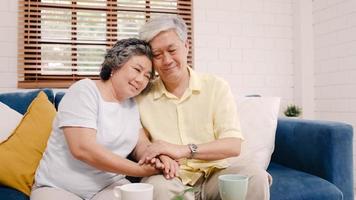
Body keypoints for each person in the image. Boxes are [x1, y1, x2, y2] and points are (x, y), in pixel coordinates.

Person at [136, 16, 271, 200]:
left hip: (216, 173)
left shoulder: (216, 86)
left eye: (172, 49)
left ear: (186, 46)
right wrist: (158, 158)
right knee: (157, 187)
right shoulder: (141, 95)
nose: (166, 60)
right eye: (157, 55)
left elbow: (232, 145)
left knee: (255, 178)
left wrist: (182, 150)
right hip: (170, 177)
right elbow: (141, 144)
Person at [31, 38, 172, 200]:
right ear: (115, 66)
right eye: (136, 69)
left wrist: (159, 158)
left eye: (147, 76)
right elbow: (83, 149)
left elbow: (141, 145)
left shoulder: (131, 104)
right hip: (58, 188)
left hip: (107, 187)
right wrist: (139, 170)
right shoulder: (85, 90)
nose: (141, 80)